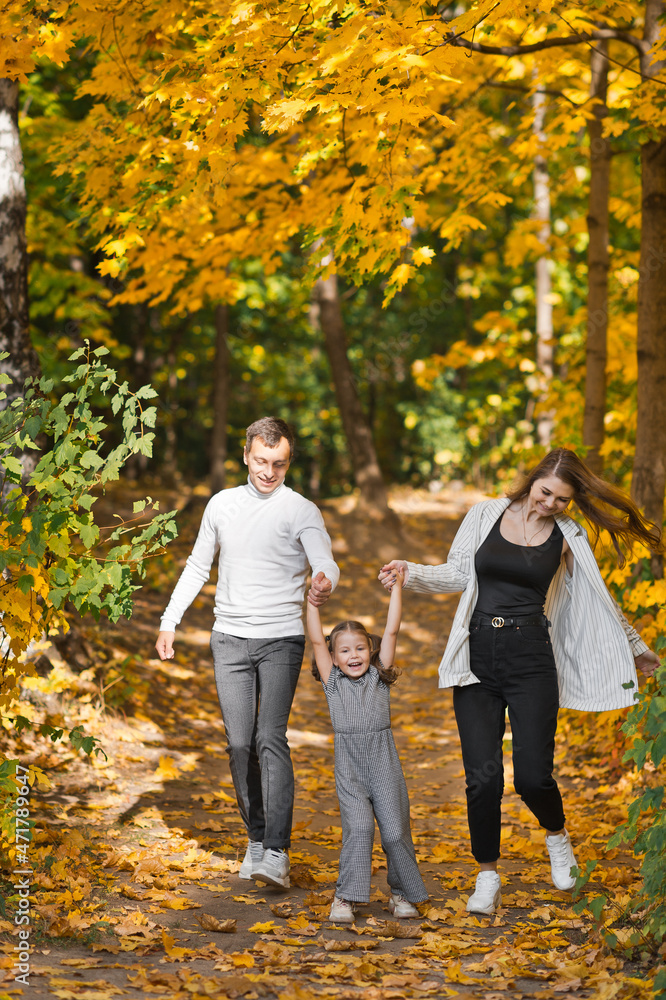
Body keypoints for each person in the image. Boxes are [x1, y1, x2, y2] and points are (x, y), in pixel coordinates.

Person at [379, 448, 661, 916]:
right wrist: (411, 573)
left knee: (532, 777)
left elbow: (598, 597)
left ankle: (557, 837)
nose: (550, 504)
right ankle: (487, 876)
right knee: (480, 781)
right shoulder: (486, 514)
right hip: (477, 660)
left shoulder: (568, 536)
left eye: (563, 500)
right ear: (533, 481)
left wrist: (635, 646)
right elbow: (455, 572)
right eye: (546, 492)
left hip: (532, 659)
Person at [155, 417, 339, 890]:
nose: (269, 471)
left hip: (281, 639)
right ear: (245, 456)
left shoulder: (301, 509)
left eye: (278, 463)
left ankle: (276, 851)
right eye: (261, 460)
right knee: (239, 744)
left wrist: (324, 579)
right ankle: (255, 839)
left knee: (269, 737)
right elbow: (198, 564)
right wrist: (169, 620)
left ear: (288, 461)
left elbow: (324, 557)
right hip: (230, 640)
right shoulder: (222, 505)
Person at [306, 566, 429, 923]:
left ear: (370, 649)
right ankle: (345, 898)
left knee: (394, 831)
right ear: (334, 655)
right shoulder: (332, 683)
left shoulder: (378, 677)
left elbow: (392, 628)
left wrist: (397, 589)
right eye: (344, 651)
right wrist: (312, 602)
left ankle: (401, 893)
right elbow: (315, 640)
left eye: (360, 648)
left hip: (383, 763)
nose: (354, 655)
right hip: (350, 768)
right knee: (359, 829)